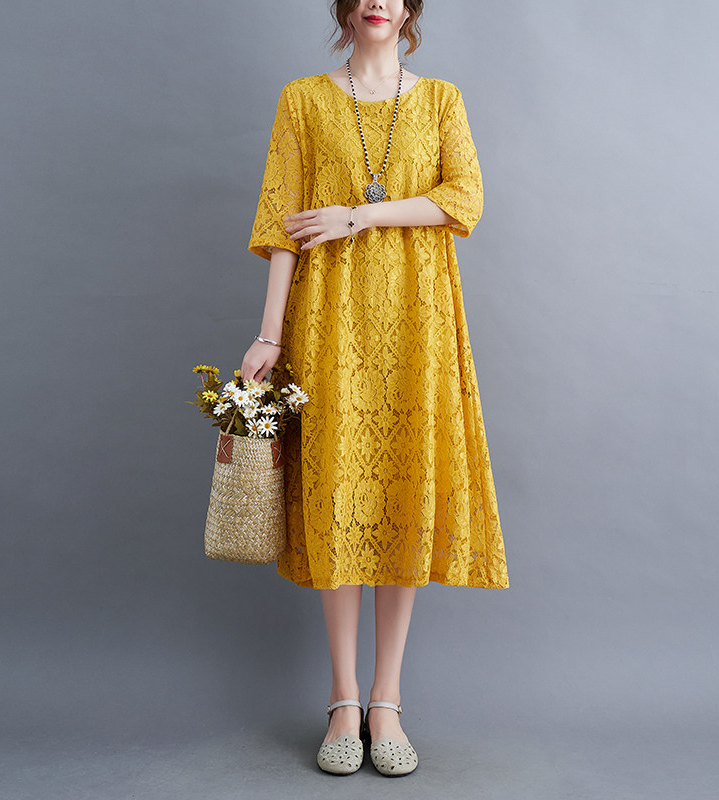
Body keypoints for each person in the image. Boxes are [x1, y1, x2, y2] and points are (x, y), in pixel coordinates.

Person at [240, 0, 509, 777]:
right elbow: (281, 225)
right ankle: (343, 699)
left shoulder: (442, 99)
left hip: (419, 322)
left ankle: (386, 699)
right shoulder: (302, 99)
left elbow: (465, 197)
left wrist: (361, 215)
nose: (377, 1)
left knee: (400, 492)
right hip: (329, 322)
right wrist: (269, 334)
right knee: (338, 496)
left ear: (410, 6)